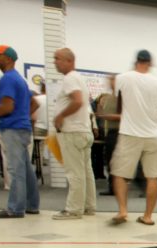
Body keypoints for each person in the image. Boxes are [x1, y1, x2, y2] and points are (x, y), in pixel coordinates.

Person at [0, 45, 39, 218]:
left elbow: (7, 107)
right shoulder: (19, 79)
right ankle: (32, 204)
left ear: (8, 58)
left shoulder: (7, 80)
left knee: (15, 169)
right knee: (25, 167)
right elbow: (34, 104)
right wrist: (23, 116)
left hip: (12, 128)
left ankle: (15, 209)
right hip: (22, 128)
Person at [109, 50, 157, 226]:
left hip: (130, 133)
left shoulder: (124, 77)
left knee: (120, 174)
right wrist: (156, 121)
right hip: (153, 135)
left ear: (136, 62)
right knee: (153, 177)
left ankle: (122, 210)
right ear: (150, 63)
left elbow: (113, 88)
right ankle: (148, 216)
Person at [50, 48, 96, 220]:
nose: (55, 61)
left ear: (69, 61)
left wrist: (61, 116)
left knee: (74, 172)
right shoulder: (79, 79)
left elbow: (77, 101)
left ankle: (74, 209)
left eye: (58, 58)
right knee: (86, 171)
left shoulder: (70, 78)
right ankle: (88, 206)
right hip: (84, 131)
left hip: (72, 132)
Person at [95, 74, 120, 196]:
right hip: (109, 132)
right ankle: (112, 187)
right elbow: (100, 115)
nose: (110, 82)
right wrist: (100, 106)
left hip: (118, 133)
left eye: (112, 80)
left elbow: (124, 116)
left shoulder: (122, 97)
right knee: (110, 161)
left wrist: (107, 116)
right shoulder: (109, 98)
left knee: (116, 163)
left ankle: (117, 187)